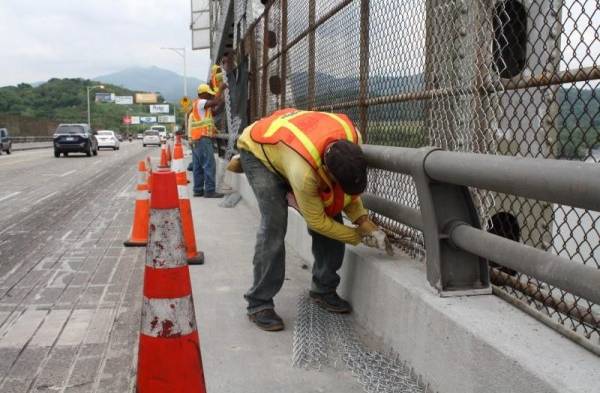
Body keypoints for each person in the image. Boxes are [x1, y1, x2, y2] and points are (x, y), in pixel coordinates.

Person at [236, 108, 393, 331]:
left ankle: (323, 290)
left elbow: (346, 196)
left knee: (333, 213)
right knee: (274, 224)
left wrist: (365, 223)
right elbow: (317, 221)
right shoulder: (305, 173)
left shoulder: (353, 140)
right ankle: (259, 303)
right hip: (259, 151)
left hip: (288, 147)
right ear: (327, 171)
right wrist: (358, 236)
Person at [188, 84, 225, 198]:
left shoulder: (200, 107)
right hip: (202, 139)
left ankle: (198, 190)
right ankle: (209, 190)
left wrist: (223, 100)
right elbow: (214, 102)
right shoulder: (200, 102)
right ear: (203, 94)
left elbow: (215, 110)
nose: (209, 96)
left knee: (198, 166)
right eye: (208, 94)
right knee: (209, 165)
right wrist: (221, 89)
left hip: (196, 139)